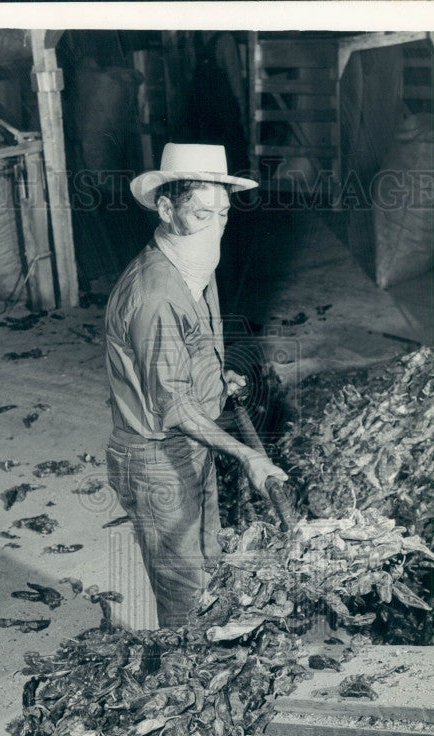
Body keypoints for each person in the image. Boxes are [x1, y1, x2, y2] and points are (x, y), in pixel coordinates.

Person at [104, 143, 288, 630]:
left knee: (208, 565)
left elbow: (192, 347)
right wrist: (249, 455)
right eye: (201, 214)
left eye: (223, 213)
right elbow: (173, 405)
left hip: (191, 444)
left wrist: (214, 374)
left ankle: (207, 659)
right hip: (156, 456)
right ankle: (181, 686)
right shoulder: (157, 294)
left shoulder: (195, 265)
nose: (217, 226)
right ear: (166, 209)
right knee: (185, 595)